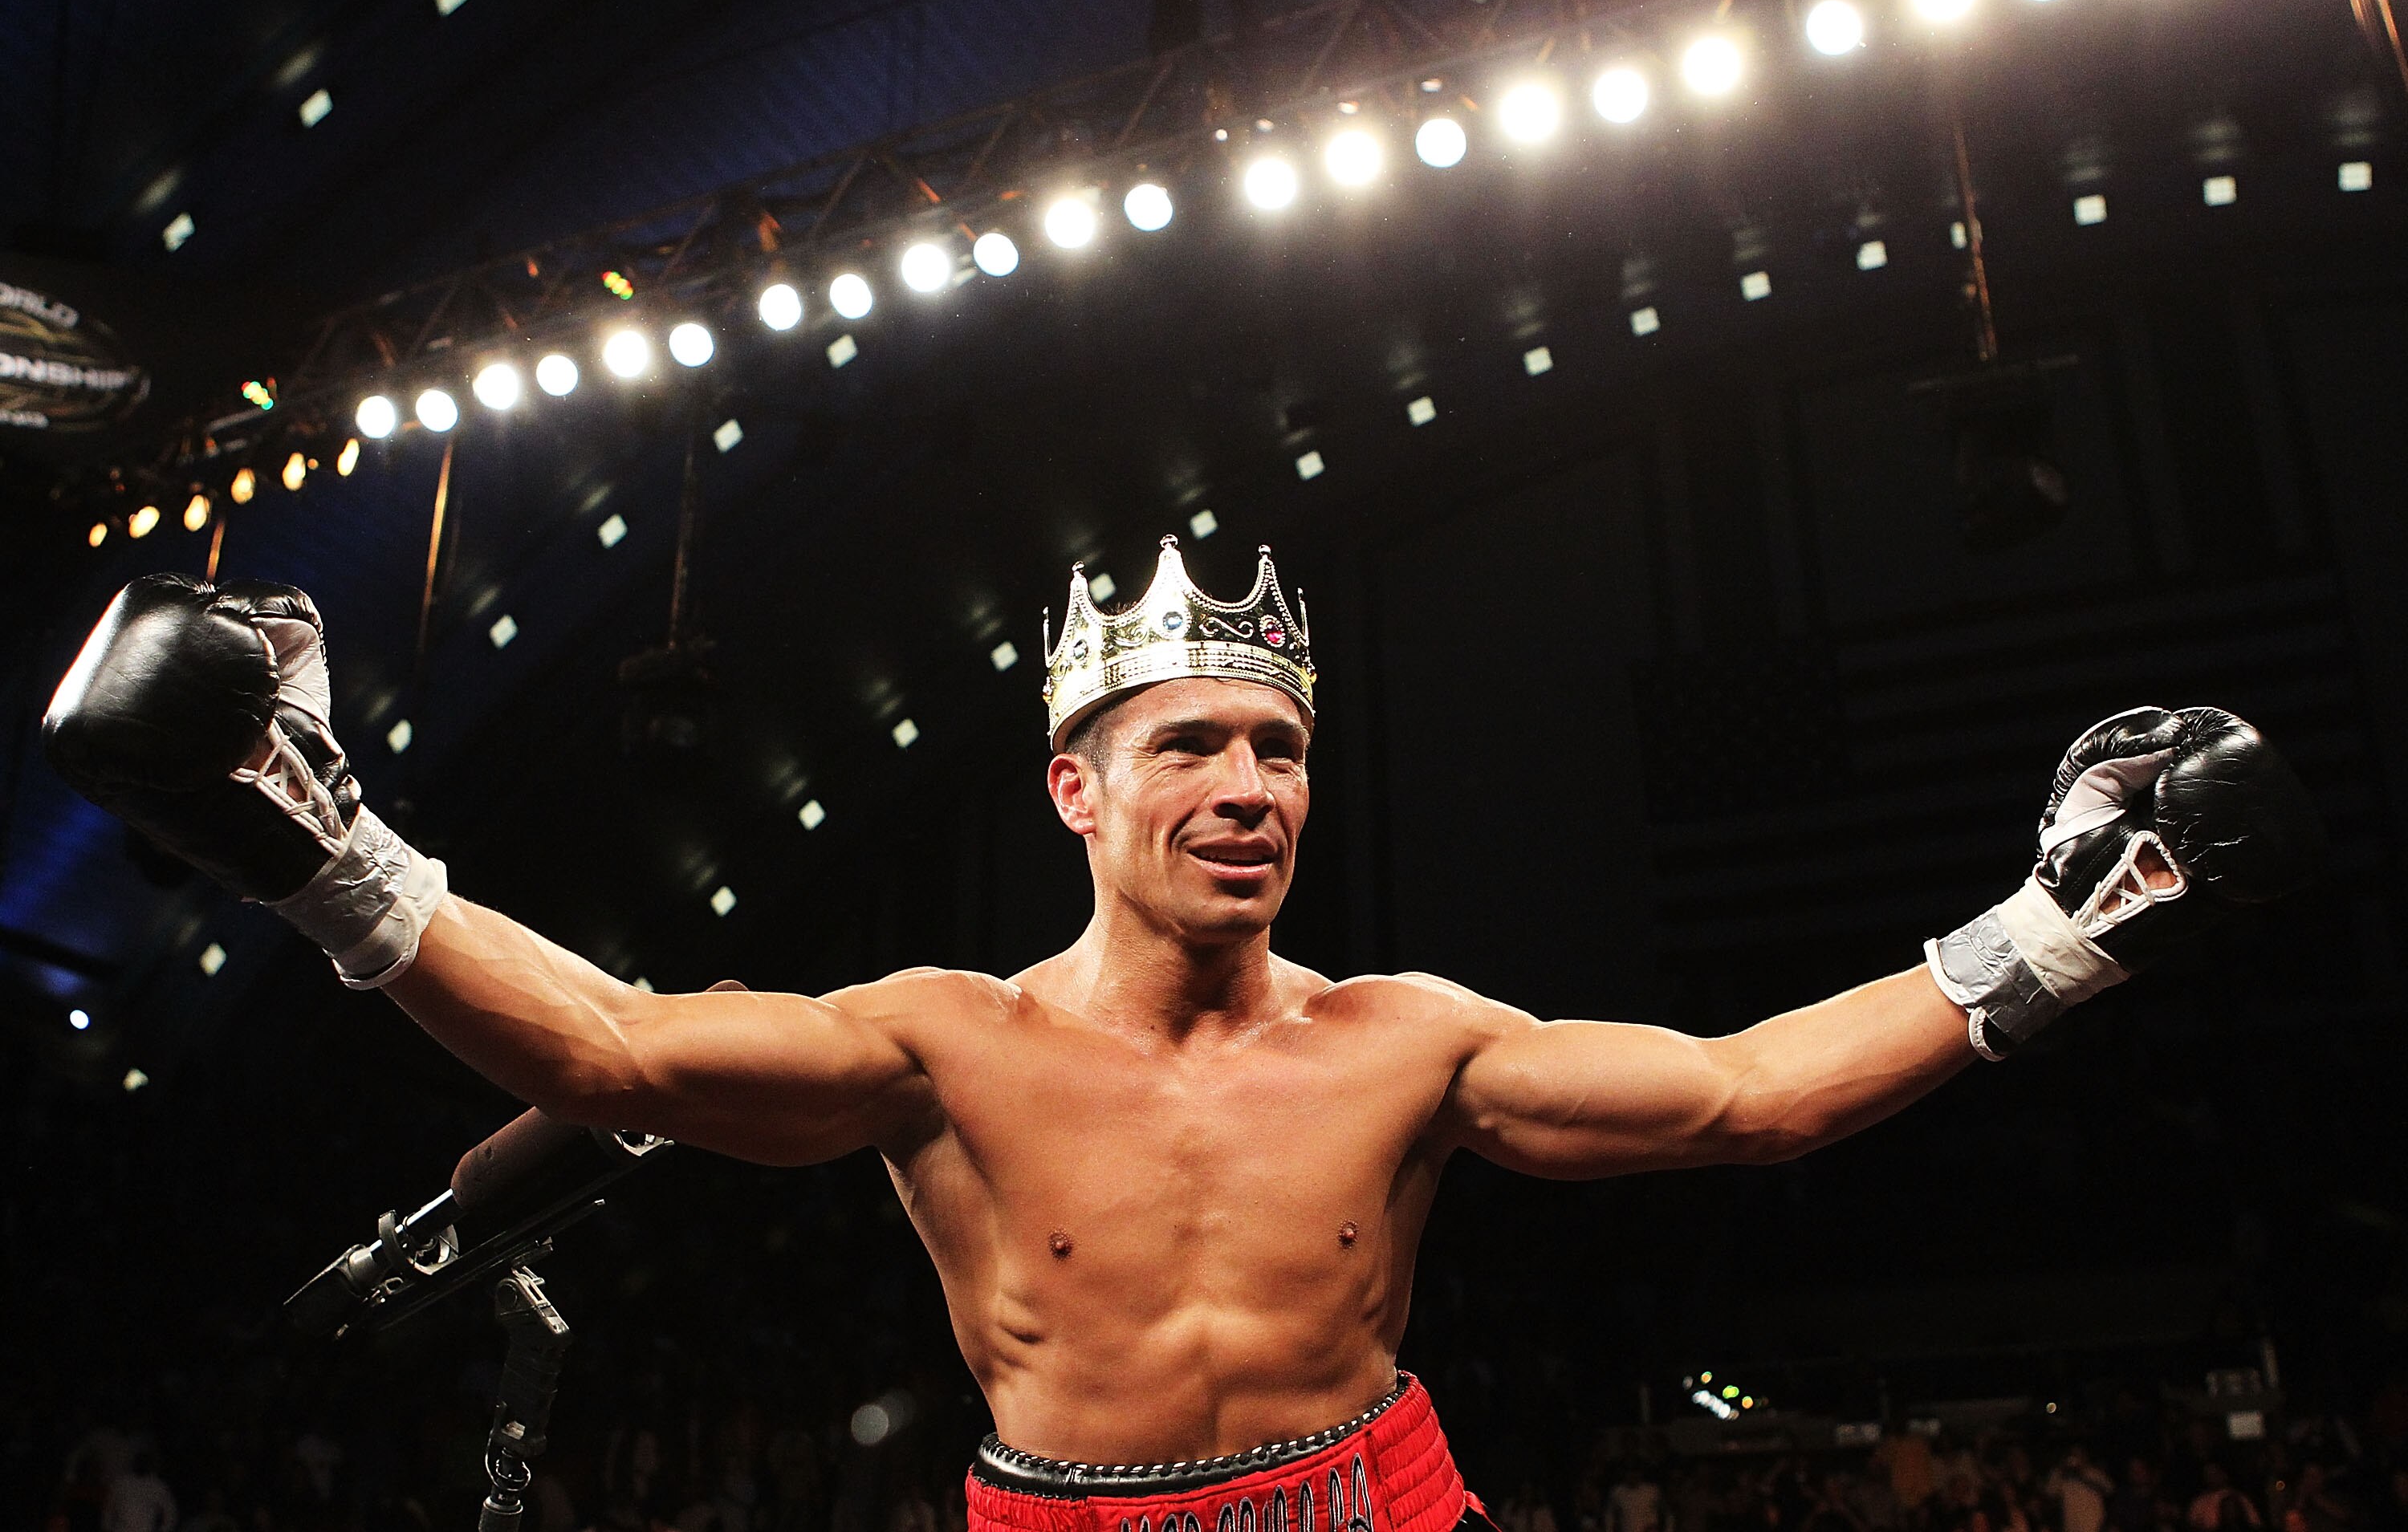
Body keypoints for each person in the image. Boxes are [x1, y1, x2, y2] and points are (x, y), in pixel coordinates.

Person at [43, 539, 2325, 1532]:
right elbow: (628, 1057)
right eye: (1194, 750)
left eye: (1284, 749)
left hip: (1383, 1500)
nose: (1250, 788)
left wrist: (2066, 933)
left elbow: (1743, 1097)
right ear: (1077, 787)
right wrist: (324, 854)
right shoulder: (937, 1043)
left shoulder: (1412, 1038)